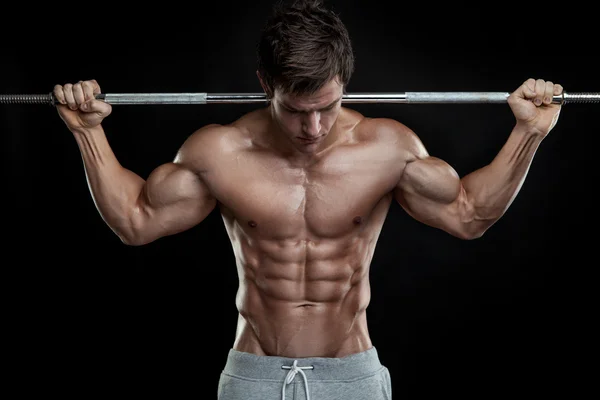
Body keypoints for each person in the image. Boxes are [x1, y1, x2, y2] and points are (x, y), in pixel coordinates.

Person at [52, 0, 563, 398]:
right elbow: (137, 221)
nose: (313, 127)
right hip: (254, 375)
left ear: (345, 82)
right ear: (264, 84)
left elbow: (469, 215)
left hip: (352, 376)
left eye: (327, 106)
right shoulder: (220, 151)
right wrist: (87, 134)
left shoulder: (387, 148)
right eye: (296, 110)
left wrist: (528, 134)